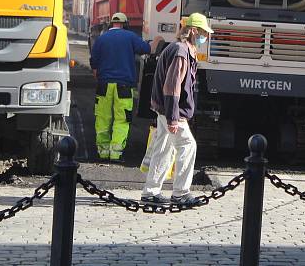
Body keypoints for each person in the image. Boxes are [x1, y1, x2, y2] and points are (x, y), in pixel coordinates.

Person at [141, 13, 212, 206]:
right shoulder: (181, 52)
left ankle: (151, 192)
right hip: (171, 111)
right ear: (194, 31)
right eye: (204, 32)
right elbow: (172, 87)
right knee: (188, 146)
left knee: (164, 149)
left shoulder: (180, 49)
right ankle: (180, 193)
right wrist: (173, 118)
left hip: (164, 109)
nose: (206, 36)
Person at [89, 12, 152, 161]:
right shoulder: (130, 37)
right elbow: (146, 49)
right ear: (125, 24)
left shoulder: (101, 39)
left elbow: (94, 62)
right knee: (122, 120)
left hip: (104, 85)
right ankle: (115, 154)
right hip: (124, 86)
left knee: (102, 118)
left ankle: (102, 153)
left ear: (111, 23)